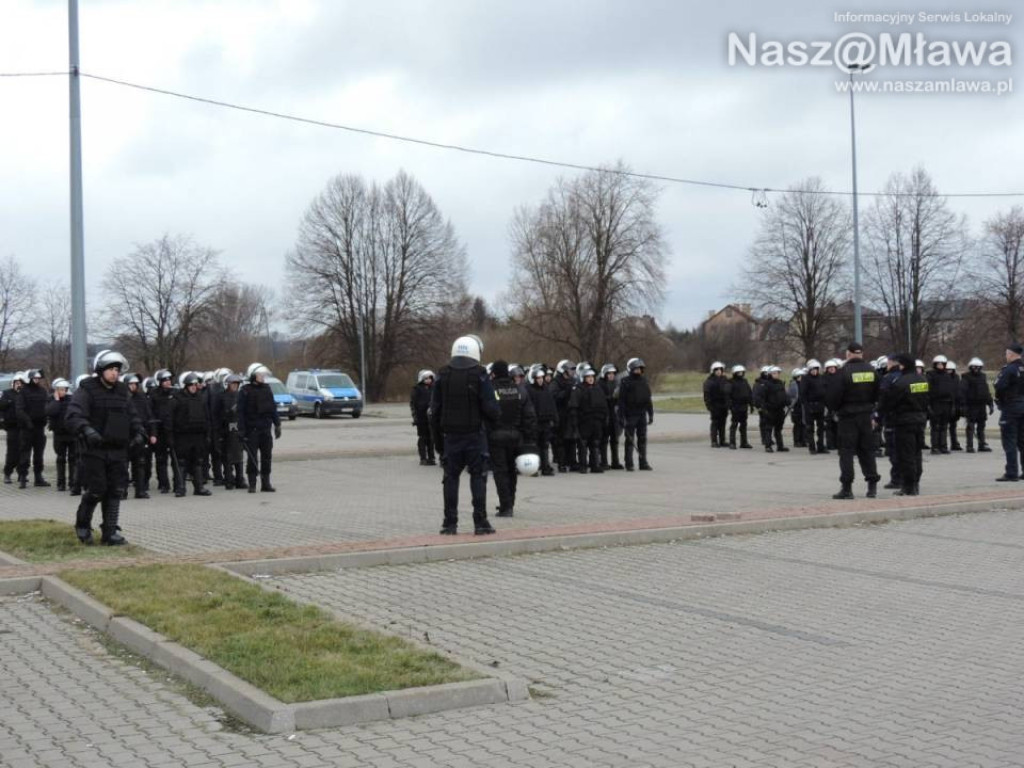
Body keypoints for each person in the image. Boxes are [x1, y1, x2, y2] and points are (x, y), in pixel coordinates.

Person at [66, 350, 146, 545]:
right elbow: (74, 415)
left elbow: (133, 416)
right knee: (97, 489)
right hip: (94, 449)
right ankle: (83, 525)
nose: (114, 373)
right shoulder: (87, 390)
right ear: (101, 370)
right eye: (110, 369)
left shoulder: (122, 391)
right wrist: (86, 430)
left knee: (116, 490)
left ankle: (110, 531)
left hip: (118, 449)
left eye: (117, 370)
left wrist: (139, 432)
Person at [430, 335, 501, 534]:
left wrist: (438, 442)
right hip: (475, 436)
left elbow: (434, 411)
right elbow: (492, 408)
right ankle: (480, 522)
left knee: (450, 479)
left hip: (450, 437)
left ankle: (449, 523)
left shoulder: (442, 375)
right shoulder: (480, 374)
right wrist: (493, 424)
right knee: (478, 478)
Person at [827, 342, 881, 499]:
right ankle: (872, 487)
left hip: (847, 418)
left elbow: (833, 397)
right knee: (867, 452)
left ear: (848, 354)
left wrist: (836, 410)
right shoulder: (872, 371)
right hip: (866, 416)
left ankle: (847, 489)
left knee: (846, 453)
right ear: (862, 354)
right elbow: (878, 394)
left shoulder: (843, 372)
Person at [487, 360, 537, 516]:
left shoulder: (490, 390)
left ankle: (505, 506)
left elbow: (485, 414)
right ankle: (510, 503)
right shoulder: (519, 390)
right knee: (511, 471)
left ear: (493, 373)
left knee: (500, 471)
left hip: (496, 437)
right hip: (516, 436)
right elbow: (529, 416)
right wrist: (528, 438)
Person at [879, 354, 929, 496]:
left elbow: (890, 402)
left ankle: (908, 486)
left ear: (904, 365)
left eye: (900, 365)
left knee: (905, 455)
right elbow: (927, 399)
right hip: (920, 419)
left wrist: (881, 415)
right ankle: (916, 483)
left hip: (904, 421)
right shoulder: (922, 379)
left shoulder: (901, 382)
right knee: (917, 453)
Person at [237, 362, 282, 493]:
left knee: (267, 456)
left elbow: (273, 408)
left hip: (265, 430)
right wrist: (241, 431)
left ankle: (266, 483)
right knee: (252, 458)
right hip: (252, 431)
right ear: (252, 376)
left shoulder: (267, 389)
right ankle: (252, 483)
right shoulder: (245, 391)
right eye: (260, 375)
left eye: (263, 375)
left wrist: (277, 424)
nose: (263, 377)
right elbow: (240, 413)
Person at [124, 373, 158, 499]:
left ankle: (140, 490)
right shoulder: (122, 398)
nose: (133, 386)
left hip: (140, 434)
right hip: (125, 436)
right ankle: (123, 491)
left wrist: (153, 434)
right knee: (123, 465)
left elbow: (150, 417)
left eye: (135, 384)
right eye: (131, 384)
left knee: (140, 464)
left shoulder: (143, 398)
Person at [617, 357, 654, 471]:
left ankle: (643, 462)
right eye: (636, 369)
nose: (638, 371)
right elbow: (621, 401)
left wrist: (650, 413)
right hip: (630, 414)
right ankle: (629, 463)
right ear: (631, 369)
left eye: (640, 369)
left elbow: (648, 398)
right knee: (630, 439)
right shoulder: (625, 382)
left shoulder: (644, 381)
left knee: (642, 439)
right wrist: (621, 416)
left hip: (642, 414)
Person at [994, 343, 1024, 482]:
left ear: (1011, 354)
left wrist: (1001, 401)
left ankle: (1011, 472)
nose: (1006, 356)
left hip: (1011, 408)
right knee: (1022, 441)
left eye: (1007, 353)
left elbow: (999, 386)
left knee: (1009, 441)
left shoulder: (1009, 369)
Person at [16, 369, 50, 488]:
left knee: (39, 454)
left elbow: (47, 406)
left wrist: (47, 418)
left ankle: (38, 477)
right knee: (25, 453)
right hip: (27, 428)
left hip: (39, 428)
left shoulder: (42, 391)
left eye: (38, 378)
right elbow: (19, 409)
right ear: (29, 379)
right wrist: (28, 421)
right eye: (34, 378)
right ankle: (23, 477)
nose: (37, 380)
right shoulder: (23, 392)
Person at [569, 366, 606, 473]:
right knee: (583, 444)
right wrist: (575, 422)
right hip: (584, 421)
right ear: (583, 378)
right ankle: (583, 466)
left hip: (597, 421)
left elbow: (604, 405)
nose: (590, 378)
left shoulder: (598, 388)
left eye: (592, 376)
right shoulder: (578, 389)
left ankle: (595, 465)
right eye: (588, 377)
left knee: (595, 444)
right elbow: (573, 407)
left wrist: (604, 418)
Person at [45, 378, 76, 492]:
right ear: (56, 390)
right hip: (59, 434)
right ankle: (60, 483)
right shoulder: (51, 400)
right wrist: (56, 401)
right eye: (60, 390)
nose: (62, 392)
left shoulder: (72, 400)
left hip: (71, 434)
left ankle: (73, 482)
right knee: (60, 458)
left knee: (73, 459)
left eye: (64, 389)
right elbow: (50, 412)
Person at [527, 365, 558, 476]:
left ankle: (545, 467)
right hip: (534, 422)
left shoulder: (546, 389)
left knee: (545, 445)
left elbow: (552, 405)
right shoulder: (529, 390)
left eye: (541, 378)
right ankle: (533, 468)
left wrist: (555, 418)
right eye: (538, 378)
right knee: (534, 445)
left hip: (545, 421)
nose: (540, 380)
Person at [149, 369, 177, 494]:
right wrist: (153, 434)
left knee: (176, 459)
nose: (167, 382)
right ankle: (164, 483)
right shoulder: (154, 395)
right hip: (160, 431)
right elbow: (152, 416)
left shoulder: (175, 393)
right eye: (164, 380)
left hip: (173, 430)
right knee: (161, 460)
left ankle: (178, 483)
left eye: (169, 379)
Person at [217, 374, 245, 489]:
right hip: (227, 429)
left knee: (239, 456)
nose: (234, 386)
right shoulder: (222, 397)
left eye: (236, 384)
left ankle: (240, 479)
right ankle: (229, 479)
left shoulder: (240, 396)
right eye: (232, 384)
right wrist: (229, 413)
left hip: (239, 427)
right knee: (228, 457)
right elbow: (218, 414)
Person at [962, 357, 994, 453]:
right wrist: (962, 405)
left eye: (978, 367)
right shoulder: (966, 377)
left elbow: (986, 391)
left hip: (981, 405)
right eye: (974, 367)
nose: (976, 369)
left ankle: (982, 444)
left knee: (981, 426)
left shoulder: (983, 376)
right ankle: (969, 446)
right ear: (970, 367)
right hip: (971, 405)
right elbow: (962, 391)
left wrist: (990, 403)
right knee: (971, 427)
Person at [552, 360, 577, 472]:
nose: (571, 372)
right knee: (561, 440)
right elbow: (554, 397)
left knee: (572, 439)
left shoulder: (573, 381)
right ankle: (561, 463)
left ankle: (572, 462)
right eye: (569, 370)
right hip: (561, 414)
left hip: (571, 414)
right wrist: (566, 391)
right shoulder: (556, 382)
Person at [927, 355, 955, 454]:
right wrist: (929, 405)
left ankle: (943, 446)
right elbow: (928, 390)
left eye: (942, 364)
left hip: (946, 403)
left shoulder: (947, 376)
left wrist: (952, 405)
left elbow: (951, 390)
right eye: (938, 364)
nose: (940, 366)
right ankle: (934, 447)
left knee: (944, 426)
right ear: (935, 365)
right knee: (935, 426)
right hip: (935, 403)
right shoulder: (930, 375)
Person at [1, 371, 26, 484]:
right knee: (12, 451)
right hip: (12, 427)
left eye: (20, 383)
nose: (18, 385)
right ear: (13, 383)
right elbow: (1, 405)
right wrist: (10, 401)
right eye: (16, 383)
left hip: (24, 426)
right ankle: (7, 473)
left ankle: (22, 474)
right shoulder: (7, 393)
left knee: (23, 451)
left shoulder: (25, 394)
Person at [598, 364, 623, 469]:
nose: (611, 375)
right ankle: (603, 462)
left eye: (613, 373)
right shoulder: (600, 384)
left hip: (614, 415)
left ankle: (615, 462)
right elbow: (600, 399)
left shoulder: (616, 383)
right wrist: (610, 398)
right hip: (605, 415)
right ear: (605, 374)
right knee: (604, 440)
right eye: (609, 373)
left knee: (615, 439)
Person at [800, 360, 828, 455]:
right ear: (809, 370)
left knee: (821, 428)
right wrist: (807, 406)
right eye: (812, 369)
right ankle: (812, 447)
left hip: (820, 406)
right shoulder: (805, 379)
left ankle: (820, 446)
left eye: (816, 369)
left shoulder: (821, 378)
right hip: (810, 406)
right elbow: (802, 394)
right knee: (810, 428)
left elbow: (825, 390)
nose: (814, 371)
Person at [410, 369, 437, 466]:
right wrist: (415, 417)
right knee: (423, 437)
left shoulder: (434, 388)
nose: (428, 380)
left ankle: (431, 457)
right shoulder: (417, 389)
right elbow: (413, 404)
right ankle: (423, 457)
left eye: (430, 378)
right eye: (426, 378)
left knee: (432, 438)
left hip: (431, 417)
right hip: (421, 417)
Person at [702, 361, 730, 448]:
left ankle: (722, 440)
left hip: (724, 405)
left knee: (723, 423)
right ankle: (714, 441)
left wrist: (728, 403)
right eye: (716, 370)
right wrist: (709, 406)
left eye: (720, 369)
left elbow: (728, 392)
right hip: (715, 405)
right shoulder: (709, 381)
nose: (719, 371)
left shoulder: (725, 380)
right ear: (713, 371)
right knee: (715, 424)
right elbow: (706, 395)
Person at [763, 366, 790, 453]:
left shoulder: (781, 383)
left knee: (778, 429)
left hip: (780, 410)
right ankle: (768, 446)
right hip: (770, 410)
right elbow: (762, 398)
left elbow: (784, 395)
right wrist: (765, 407)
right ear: (770, 374)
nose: (777, 375)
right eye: (774, 373)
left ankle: (780, 446)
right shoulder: (767, 384)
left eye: (778, 373)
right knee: (769, 428)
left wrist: (787, 402)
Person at [727, 365, 754, 449]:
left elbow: (749, 393)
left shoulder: (745, 381)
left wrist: (751, 404)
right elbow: (727, 395)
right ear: (735, 373)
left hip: (744, 406)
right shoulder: (731, 382)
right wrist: (731, 406)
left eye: (742, 372)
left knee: (743, 425)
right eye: (739, 372)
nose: (740, 374)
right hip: (735, 406)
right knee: (734, 425)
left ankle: (744, 442)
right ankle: (732, 443)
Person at [947, 361, 964, 451]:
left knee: (953, 426)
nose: (949, 371)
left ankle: (954, 443)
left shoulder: (957, 378)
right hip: (945, 403)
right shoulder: (943, 378)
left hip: (955, 404)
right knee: (942, 426)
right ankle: (941, 444)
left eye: (951, 370)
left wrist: (960, 404)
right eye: (947, 370)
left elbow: (959, 391)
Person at [788, 368, 806, 448]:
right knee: (797, 425)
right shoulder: (793, 385)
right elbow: (792, 397)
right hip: (796, 407)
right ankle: (797, 441)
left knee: (803, 424)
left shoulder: (803, 384)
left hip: (803, 406)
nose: (801, 378)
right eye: (799, 376)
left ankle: (803, 440)